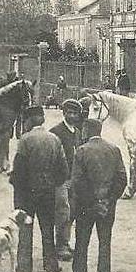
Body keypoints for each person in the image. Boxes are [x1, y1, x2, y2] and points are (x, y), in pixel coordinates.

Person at [10, 105, 68, 272]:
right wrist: (52, 182)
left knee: (25, 228)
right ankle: (50, 264)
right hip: (47, 191)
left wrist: (17, 185)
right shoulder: (54, 139)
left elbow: (19, 168)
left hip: (27, 193)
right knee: (47, 228)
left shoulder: (25, 140)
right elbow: (63, 169)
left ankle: (24, 265)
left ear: (29, 121)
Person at [70, 118, 127, 272]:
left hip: (85, 207)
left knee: (81, 242)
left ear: (87, 131)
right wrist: (108, 199)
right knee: (105, 242)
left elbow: (77, 182)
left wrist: (91, 202)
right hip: (107, 206)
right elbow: (122, 178)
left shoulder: (81, 151)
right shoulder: (113, 149)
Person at [50, 99, 84, 261]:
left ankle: (65, 241)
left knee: (72, 212)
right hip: (61, 180)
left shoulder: (77, 132)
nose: (72, 115)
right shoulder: (56, 131)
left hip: (74, 179)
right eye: (69, 112)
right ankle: (60, 246)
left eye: (75, 113)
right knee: (62, 212)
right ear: (64, 113)